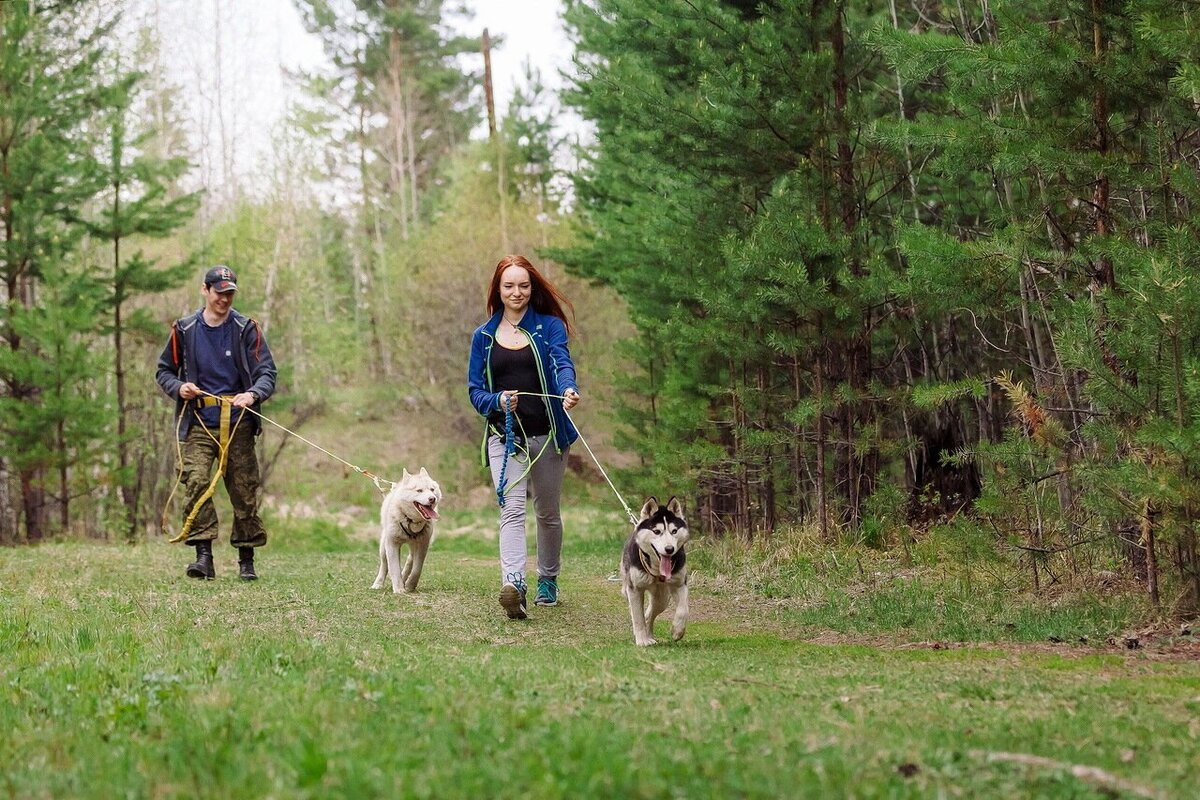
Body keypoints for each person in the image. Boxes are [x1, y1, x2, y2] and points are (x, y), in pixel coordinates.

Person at [468, 255, 581, 619]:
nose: (516, 292)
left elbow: (562, 363)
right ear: (497, 291)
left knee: (547, 512)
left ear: (532, 289)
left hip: (548, 436)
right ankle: (514, 583)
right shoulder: (483, 337)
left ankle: (548, 579)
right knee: (511, 511)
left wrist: (568, 390)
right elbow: (475, 391)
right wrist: (497, 400)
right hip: (507, 436)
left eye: (523, 285)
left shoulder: (549, 327)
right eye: (509, 286)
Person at [156, 265, 277, 581]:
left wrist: (252, 394)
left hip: (238, 422)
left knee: (243, 490)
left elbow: (267, 372)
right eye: (219, 292)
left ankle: (246, 560)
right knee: (195, 481)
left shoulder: (245, 328)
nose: (225, 299)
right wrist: (179, 388)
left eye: (230, 293)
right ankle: (203, 557)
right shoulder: (183, 330)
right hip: (197, 420)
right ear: (205, 290)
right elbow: (164, 372)